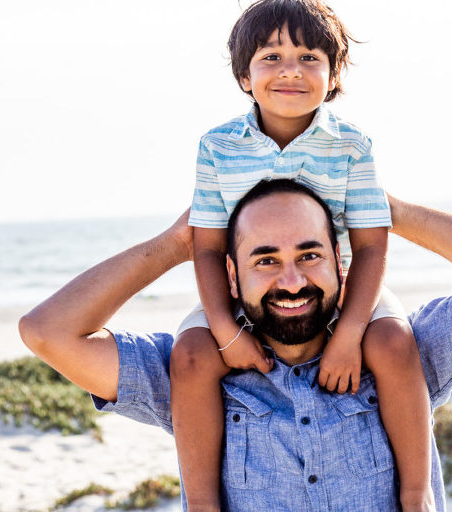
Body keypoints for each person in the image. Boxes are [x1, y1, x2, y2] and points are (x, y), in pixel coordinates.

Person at [18, 179, 452, 511]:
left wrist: (383, 208)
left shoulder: (401, 355)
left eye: (310, 255)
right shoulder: (192, 374)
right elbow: (48, 332)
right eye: (266, 259)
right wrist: (175, 245)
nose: (292, 281)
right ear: (231, 275)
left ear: (341, 264)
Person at [179, 0, 431, 509]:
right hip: (249, 289)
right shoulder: (218, 146)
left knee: (394, 343)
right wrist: (226, 333)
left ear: (333, 74)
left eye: (309, 57)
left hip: (337, 290)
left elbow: (369, 244)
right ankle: (201, 501)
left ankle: (416, 490)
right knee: (190, 357)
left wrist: (351, 334)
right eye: (271, 57)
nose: (290, 70)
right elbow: (206, 248)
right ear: (244, 76)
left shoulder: (351, 145)